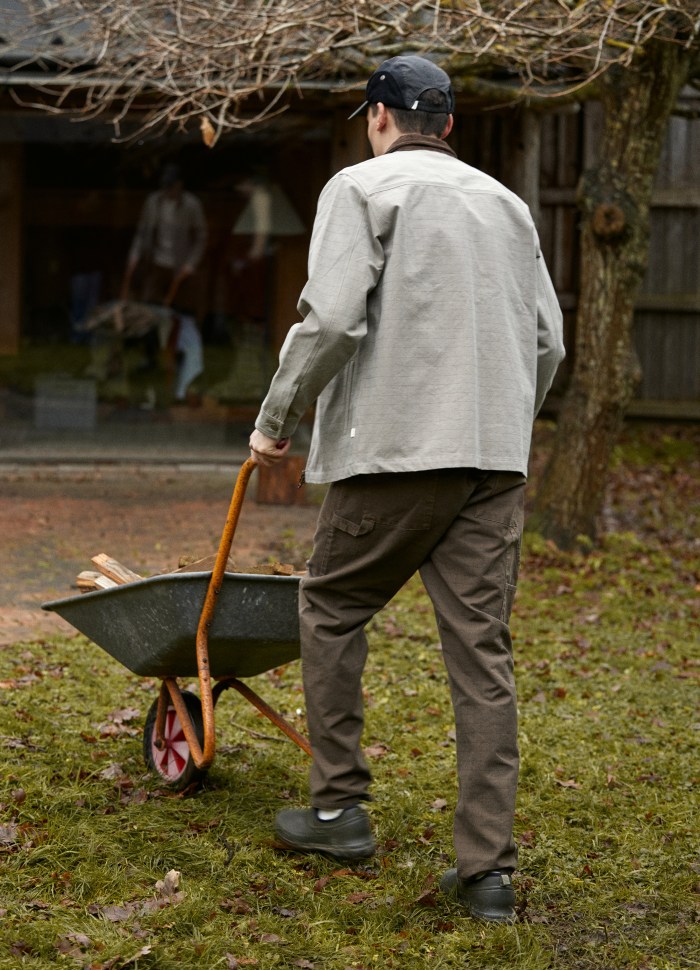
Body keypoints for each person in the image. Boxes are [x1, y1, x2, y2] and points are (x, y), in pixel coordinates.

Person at [248, 54, 565, 924]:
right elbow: (548, 343)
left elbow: (335, 318)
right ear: (450, 125)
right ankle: (488, 874)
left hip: (396, 453)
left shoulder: (361, 188)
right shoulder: (507, 205)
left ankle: (338, 809)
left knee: (331, 606)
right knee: (482, 656)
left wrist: (278, 416)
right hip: (493, 462)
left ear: (378, 116)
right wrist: (500, 423)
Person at [121, 163, 207, 402]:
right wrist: (135, 257)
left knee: (177, 316)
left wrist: (191, 263)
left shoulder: (191, 205)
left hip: (180, 269)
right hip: (156, 265)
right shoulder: (153, 203)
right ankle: (150, 356)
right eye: (166, 188)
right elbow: (142, 232)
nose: (169, 192)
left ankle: (179, 363)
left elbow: (201, 236)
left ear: (180, 186)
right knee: (149, 312)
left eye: (173, 187)